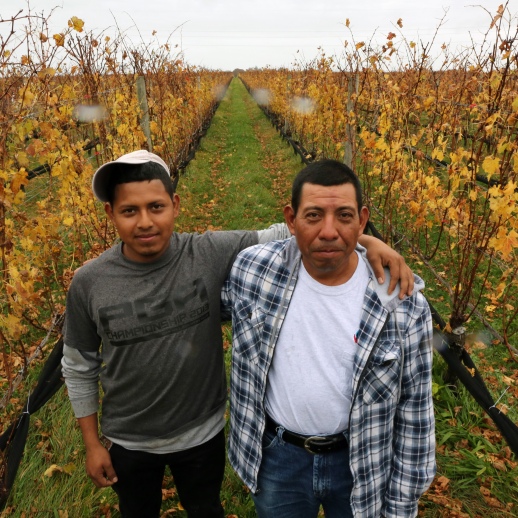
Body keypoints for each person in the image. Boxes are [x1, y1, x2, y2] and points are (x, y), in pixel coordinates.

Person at [61, 150, 416, 517]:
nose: (145, 222)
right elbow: (78, 365)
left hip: (202, 432)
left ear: (175, 205)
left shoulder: (207, 253)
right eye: (129, 211)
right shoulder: (91, 282)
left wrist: (368, 242)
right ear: (110, 214)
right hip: (128, 439)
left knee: (205, 507)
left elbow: (296, 232)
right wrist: (92, 443)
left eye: (156, 207)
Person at [221, 159, 436, 518]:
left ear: (362, 220)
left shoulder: (402, 303)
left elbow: (415, 411)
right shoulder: (252, 271)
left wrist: (401, 506)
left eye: (345, 217)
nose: (329, 231)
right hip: (279, 457)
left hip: (361, 462)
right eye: (313, 215)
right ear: (291, 220)